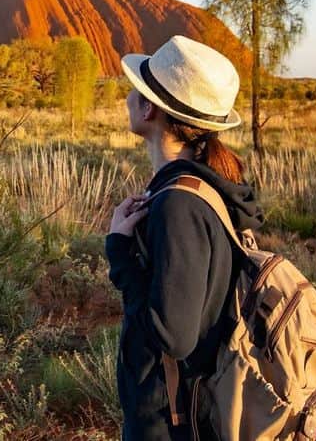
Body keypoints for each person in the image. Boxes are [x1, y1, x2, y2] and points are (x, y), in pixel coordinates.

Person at [105, 35, 265, 441]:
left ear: (150, 108)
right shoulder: (198, 187)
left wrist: (120, 252)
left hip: (172, 422)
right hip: (191, 408)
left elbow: (173, 335)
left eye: (136, 89)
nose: (128, 96)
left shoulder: (180, 204)